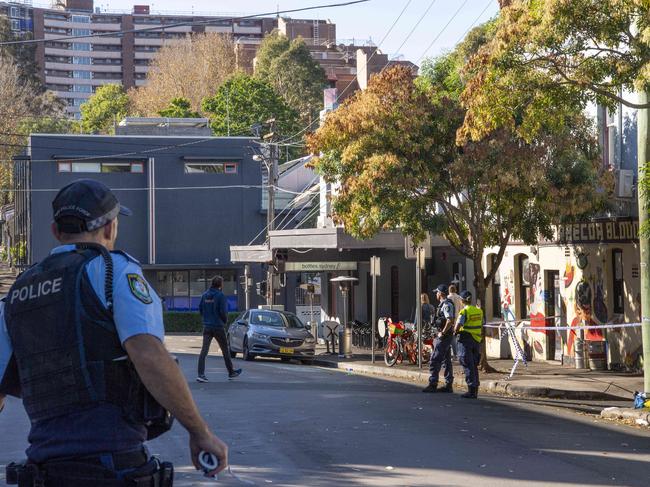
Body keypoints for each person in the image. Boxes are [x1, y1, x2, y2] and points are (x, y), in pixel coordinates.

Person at [0, 179, 227, 486]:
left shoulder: (18, 292)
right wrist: (200, 433)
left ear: (56, 231)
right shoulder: (114, 271)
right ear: (109, 228)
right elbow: (148, 354)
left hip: (43, 470)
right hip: (111, 464)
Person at [197, 276, 241, 382]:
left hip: (207, 326)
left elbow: (200, 309)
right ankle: (231, 372)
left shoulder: (204, 295)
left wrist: (206, 319)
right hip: (218, 326)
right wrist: (224, 321)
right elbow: (223, 311)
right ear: (220, 285)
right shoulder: (220, 295)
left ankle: (200, 374)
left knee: (204, 350)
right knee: (225, 350)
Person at [422, 284, 455, 393]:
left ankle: (433, 383)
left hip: (444, 336)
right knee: (446, 360)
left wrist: (443, 332)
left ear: (440, 293)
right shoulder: (443, 304)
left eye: (437, 292)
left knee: (435, 359)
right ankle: (448, 384)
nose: (436, 294)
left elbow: (450, 320)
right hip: (444, 335)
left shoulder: (446, 305)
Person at [454, 290, 484, 399]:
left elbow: (458, 325)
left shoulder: (464, 312)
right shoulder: (479, 311)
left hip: (465, 339)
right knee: (474, 365)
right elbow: (482, 324)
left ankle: (471, 390)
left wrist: (454, 331)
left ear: (462, 300)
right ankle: (475, 389)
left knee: (467, 364)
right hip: (476, 340)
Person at [447, 284, 463, 359]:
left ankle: (454, 354)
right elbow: (462, 308)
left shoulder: (448, 298)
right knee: (457, 336)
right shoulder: (459, 297)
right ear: (456, 290)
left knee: (451, 337)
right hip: (458, 319)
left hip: (450, 319)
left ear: (449, 290)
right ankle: (457, 353)